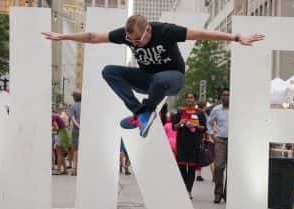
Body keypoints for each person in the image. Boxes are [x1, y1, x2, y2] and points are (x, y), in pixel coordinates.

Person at [42, 15, 264, 138]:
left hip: (172, 79)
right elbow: (93, 36)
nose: (135, 44)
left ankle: (147, 110)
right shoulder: (127, 35)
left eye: (138, 41)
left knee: (160, 79)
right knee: (109, 71)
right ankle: (140, 113)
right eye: (132, 42)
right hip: (147, 80)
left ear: (148, 29)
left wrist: (236, 37)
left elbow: (201, 33)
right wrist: (64, 36)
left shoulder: (166, 30)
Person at [173, 92, 206, 200]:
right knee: (182, 167)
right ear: (185, 100)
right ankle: (186, 186)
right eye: (187, 98)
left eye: (191, 98)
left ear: (194, 100)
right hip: (182, 143)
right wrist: (180, 123)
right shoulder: (180, 112)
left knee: (191, 168)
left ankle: (188, 190)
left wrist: (196, 125)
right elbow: (174, 127)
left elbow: (204, 128)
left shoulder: (200, 113)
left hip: (194, 144)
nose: (189, 100)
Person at [206, 90, 229, 204]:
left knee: (232, 169)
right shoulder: (216, 109)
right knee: (219, 166)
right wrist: (211, 134)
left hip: (235, 141)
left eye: (228, 95)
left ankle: (228, 193)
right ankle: (218, 193)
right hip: (220, 140)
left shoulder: (237, 108)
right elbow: (209, 122)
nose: (226, 97)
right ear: (221, 97)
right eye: (224, 95)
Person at [70, 91, 82, 176]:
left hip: (76, 130)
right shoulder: (85, 105)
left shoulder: (73, 106)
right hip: (85, 130)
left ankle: (75, 170)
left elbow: (73, 119)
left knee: (76, 150)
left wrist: (78, 126)